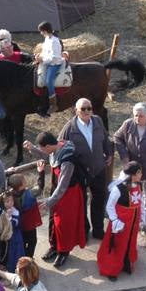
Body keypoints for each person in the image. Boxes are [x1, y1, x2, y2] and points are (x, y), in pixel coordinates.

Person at [27, 132, 86, 269]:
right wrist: (33, 149)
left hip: (69, 194)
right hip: (57, 193)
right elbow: (49, 156)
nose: (42, 150)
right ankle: (54, 247)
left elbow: (63, 185)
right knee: (53, 221)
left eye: (41, 148)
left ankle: (63, 252)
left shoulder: (68, 159)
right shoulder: (56, 148)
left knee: (63, 224)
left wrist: (49, 201)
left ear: (48, 146)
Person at [58, 97, 112, 239]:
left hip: (99, 169)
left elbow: (106, 139)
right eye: (83, 109)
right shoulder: (69, 128)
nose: (87, 111)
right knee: (81, 203)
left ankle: (98, 230)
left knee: (99, 200)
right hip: (80, 173)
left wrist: (109, 154)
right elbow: (60, 148)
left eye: (89, 108)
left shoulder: (98, 121)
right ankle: (84, 229)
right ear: (76, 110)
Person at [98, 163, 144, 281]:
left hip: (133, 222)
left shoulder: (139, 185)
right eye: (139, 172)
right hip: (121, 223)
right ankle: (112, 269)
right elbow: (109, 206)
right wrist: (115, 221)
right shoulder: (118, 189)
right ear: (132, 174)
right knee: (118, 244)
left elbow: (140, 202)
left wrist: (142, 217)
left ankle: (127, 262)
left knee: (129, 242)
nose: (141, 174)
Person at [7, 173, 40, 263]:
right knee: (32, 242)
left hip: (19, 224)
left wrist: (8, 174)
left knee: (23, 242)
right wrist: (40, 172)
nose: (26, 182)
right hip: (29, 223)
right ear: (21, 186)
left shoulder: (10, 194)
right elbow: (40, 187)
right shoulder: (29, 194)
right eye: (24, 181)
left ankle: (23, 258)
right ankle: (29, 260)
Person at [36, 20, 65, 116]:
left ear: (45, 30)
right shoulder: (47, 38)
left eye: (41, 31)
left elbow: (54, 57)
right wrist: (39, 55)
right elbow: (46, 51)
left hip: (54, 64)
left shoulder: (55, 41)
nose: (41, 33)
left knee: (48, 81)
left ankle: (54, 104)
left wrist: (42, 59)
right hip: (47, 61)